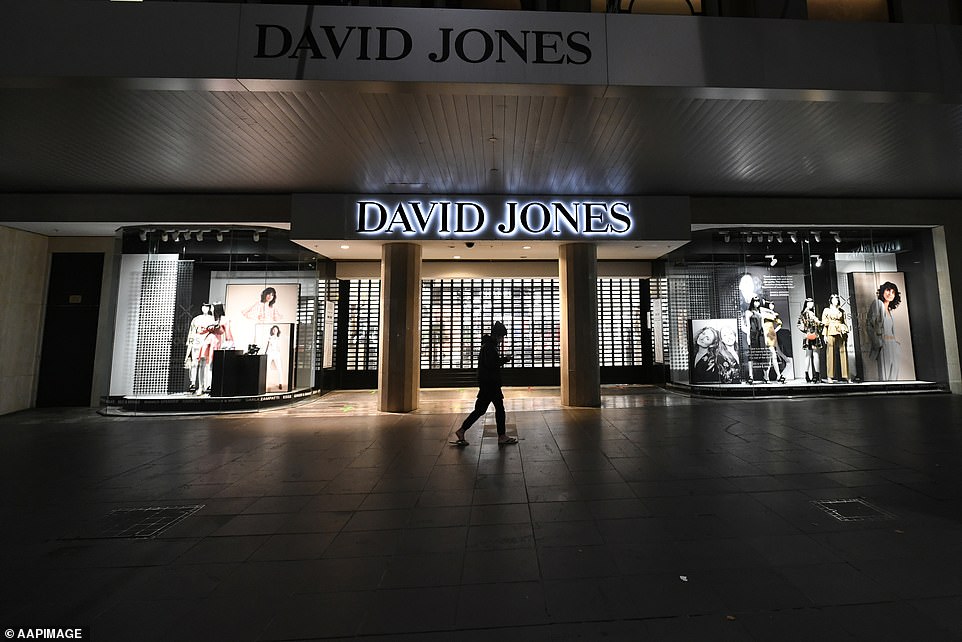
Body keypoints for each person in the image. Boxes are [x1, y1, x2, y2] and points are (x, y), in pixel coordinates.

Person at [453, 321, 517, 446]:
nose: (502, 339)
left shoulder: (488, 346)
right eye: (501, 336)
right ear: (496, 335)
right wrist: (505, 359)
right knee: (499, 409)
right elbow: (492, 364)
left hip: (487, 384)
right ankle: (502, 436)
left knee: (480, 410)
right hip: (491, 384)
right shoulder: (489, 347)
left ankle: (462, 430)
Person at [866, 281, 902, 381]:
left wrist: (897, 344)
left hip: (893, 345)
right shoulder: (878, 304)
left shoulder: (889, 310)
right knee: (885, 376)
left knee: (894, 375)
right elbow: (869, 325)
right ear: (882, 291)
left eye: (893, 292)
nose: (890, 293)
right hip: (883, 344)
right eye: (888, 290)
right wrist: (877, 342)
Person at [184, 303, 214, 393]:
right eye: (204, 307)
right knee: (194, 363)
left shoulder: (212, 319)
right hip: (197, 342)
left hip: (207, 342)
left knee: (206, 364)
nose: (205, 308)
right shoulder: (196, 319)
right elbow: (191, 333)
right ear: (201, 308)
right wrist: (189, 346)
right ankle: (193, 383)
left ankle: (207, 385)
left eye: (207, 307)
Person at [821, 294, 850, 382]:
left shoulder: (841, 310)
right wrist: (825, 335)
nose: (835, 301)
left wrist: (845, 330)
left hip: (841, 331)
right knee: (830, 353)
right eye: (833, 299)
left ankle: (846, 376)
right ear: (830, 301)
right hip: (831, 330)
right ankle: (830, 376)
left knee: (843, 352)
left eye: (837, 299)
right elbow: (824, 324)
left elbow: (844, 321)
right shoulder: (827, 310)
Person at [797, 298, 823, 383]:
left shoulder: (803, 313)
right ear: (806, 304)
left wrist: (805, 330)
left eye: (812, 303)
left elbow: (799, 325)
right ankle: (816, 375)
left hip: (808, 335)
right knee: (815, 355)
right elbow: (816, 322)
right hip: (813, 334)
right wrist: (819, 324)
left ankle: (807, 375)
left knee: (808, 355)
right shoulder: (809, 313)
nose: (811, 304)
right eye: (809, 303)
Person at [742, 296, 766, 384]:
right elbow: (748, 325)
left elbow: (762, 324)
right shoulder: (748, 312)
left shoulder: (760, 311)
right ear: (752, 302)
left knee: (762, 355)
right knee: (751, 356)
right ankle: (751, 376)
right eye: (755, 301)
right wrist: (748, 337)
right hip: (752, 335)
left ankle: (765, 376)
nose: (757, 303)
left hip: (760, 335)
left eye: (758, 301)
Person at [761, 299, 786, 383]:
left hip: (772, 336)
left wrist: (775, 330)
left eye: (773, 305)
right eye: (771, 305)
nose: (772, 306)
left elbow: (780, 323)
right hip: (765, 335)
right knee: (771, 356)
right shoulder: (765, 313)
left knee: (772, 357)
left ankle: (773, 376)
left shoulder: (773, 314)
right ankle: (769, 376)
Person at [265, 324, 284, 391]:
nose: (274, 331)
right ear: (272, 331)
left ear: (278, 331)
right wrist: (266, 353)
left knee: (279, 368)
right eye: (273, 329)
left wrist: (278, 352)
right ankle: (265, 383)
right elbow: (268, 346)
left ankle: (280, 383)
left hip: (276, 353)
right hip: (270, 353)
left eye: (276, 329)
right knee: (266, 368)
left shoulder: (279, 338)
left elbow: (280, 347)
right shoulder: (270, 337)